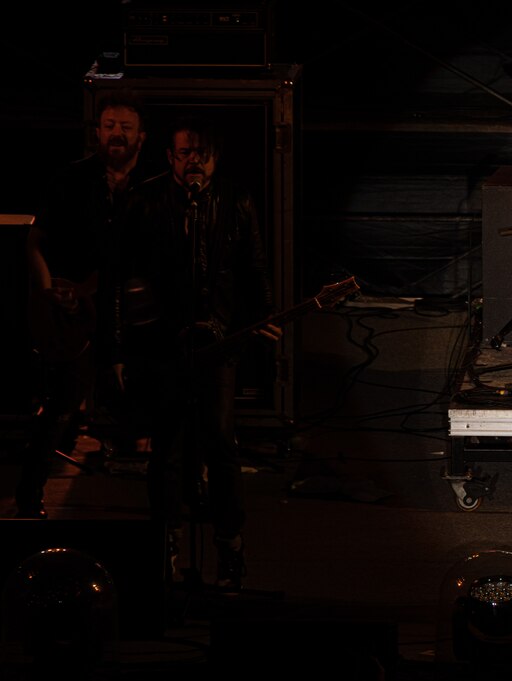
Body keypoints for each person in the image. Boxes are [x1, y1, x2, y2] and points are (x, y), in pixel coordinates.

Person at [123, 117, 278, 592]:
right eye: (187, 152)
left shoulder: (235, 200)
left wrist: (259, 323)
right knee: (166, 449)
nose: (196, 161)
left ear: (216, 158)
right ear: (170, 157)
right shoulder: (146, 200)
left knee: (220, 441)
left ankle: (230, 545)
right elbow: (126, 274)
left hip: (218, 342)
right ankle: (166, 543)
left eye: (203, 153)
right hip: (163, 344)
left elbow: (253, 267)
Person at [14, 92, 155, 519]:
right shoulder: (72, 179)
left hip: (131, 314)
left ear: (141, 137)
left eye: (125, 127)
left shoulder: (153, 188)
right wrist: (48, 291)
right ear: (97, 132)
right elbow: (36, 240)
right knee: (60, 406)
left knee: (158, 400)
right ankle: (29, 496)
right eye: (109, 126)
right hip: (79, 315)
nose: (116, 134)